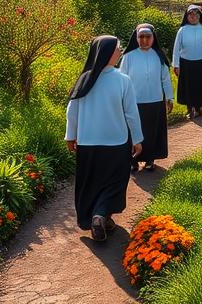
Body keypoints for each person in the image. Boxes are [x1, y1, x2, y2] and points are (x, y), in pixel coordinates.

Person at [65, 35, 143, 242]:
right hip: (116, 143)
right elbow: (131, 114)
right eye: (118, 49)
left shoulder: (84, 79)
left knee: (91, 182)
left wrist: (70, 136)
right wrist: (137, 139)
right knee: (115, 182)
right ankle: (101, 215)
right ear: (107, 53)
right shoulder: (122, 80)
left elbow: (72, 111)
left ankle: (99, 217)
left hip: (87, 143)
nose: (120, 52)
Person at [119, 23, 173, 173]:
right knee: (134, 131)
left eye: (147, 37)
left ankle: (150, 159)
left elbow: (165, 79)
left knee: (152, 131)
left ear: (153, 38)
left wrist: (169, 97)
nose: (144, 40)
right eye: (141, 37)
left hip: (155, 100)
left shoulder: (159, 56)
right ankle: (133, 161)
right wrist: (120, 98)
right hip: (134, 101)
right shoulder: (128, 56)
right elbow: (121, 79)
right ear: (136, 38)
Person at [172, 5, 202, 120]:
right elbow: (176, 49)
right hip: (185, 63)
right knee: (187, 86)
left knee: (199, 86)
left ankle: (198, 108)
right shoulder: (182, 30)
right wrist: (176, 65)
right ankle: (190, 109)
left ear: (200, 16)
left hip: (201, 63)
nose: (193, 17)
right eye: (190, 15)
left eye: (196, 14)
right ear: (187, 16)